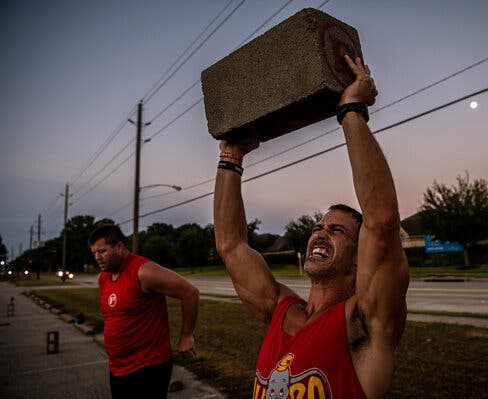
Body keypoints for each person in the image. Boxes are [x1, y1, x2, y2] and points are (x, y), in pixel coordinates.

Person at [214, 55, 409, 399]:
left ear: (358, 260)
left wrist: (351, 108)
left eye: (337, 230)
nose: (320, 232)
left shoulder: (363, 324)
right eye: (319, 226)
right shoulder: (280, 308)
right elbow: (230, 247)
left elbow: (382, 223)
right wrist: (231, 155)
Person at [88, 224, 199, 399]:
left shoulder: (144, 271)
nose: (97, 257)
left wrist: (186, 335)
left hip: (148, 366)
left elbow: (190, 293)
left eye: (102, 251)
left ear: (119, 246)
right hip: (117, 368)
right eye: (94, 253)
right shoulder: (103, 278)